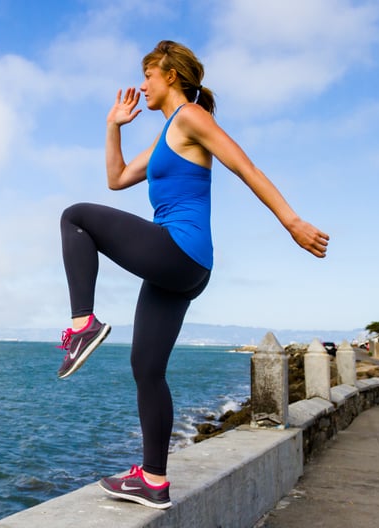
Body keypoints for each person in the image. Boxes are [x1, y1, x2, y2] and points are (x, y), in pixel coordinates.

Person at [55, 40, 329, 510]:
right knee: (146, 368)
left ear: (171, 77)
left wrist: (292, 222)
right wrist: (111, 127)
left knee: (75, 217)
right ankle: (154, 480)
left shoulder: (191, 119)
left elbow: (247, 168)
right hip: (179, 267)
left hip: (179, 250)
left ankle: (83, 324)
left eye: (148, 76)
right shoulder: (164, 138)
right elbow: (116, 179)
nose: (142, 86)